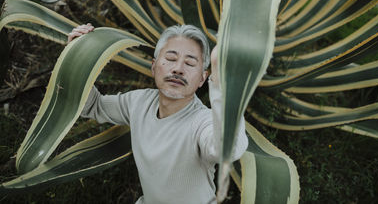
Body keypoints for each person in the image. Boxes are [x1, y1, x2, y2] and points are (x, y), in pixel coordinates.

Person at [68, 23, 248, 204]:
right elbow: (92, 106)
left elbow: (226, 150)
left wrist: (223, 87)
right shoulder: (139, 102)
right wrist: (77, 55)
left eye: (190, 63)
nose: (178, 69)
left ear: (203, 78)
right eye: (170, 58)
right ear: (154, 67)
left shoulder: (202, 121)